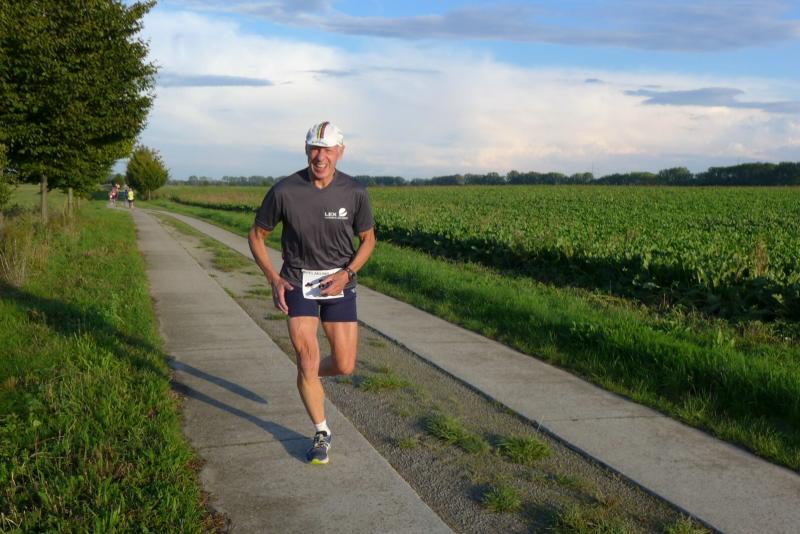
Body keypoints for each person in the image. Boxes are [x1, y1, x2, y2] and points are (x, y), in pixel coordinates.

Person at [248, 121, 376, 465]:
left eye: (328, 149)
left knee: (345, 365)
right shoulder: (285, 190)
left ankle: (309, 376)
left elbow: (368, 240)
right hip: (297, 280)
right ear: (306, 150)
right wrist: (274, 278)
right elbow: (257, 235)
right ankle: (321, 431)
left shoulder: (354, 191)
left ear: (340, 152)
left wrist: (348, 273)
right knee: (306, 358)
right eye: (315, 149)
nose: (321, 156)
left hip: (339, 282)